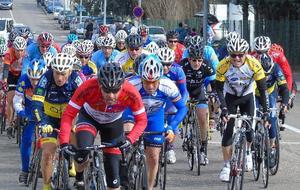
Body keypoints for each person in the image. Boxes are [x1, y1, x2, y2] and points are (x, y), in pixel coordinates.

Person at [58, 62, 147, 189]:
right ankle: (79, 177)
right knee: (82, 152)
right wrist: (64, 143)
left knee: (113, 177)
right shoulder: (87, 87)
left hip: (113, 123)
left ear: (122, 86)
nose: (111, 95)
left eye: (115, 90)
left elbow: (142, 120)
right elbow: (68, 115)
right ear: (99, 85)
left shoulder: (131, 92)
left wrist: (129, 139)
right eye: (106, 90)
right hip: (89, 118)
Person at [124, 54, 187, 190]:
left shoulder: (168, 85)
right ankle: (125, 164)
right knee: (126, 135)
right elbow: (119, 106)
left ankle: (149, 187)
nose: (151, 86)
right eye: (146, 82)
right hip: (133, 114)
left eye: (154, 82)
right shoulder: (131, 85)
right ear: (140, 78)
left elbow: (182, 108)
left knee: (153, 156)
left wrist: (171, 127)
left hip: (154, 116)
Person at [216, 38, 269, 182]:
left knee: (249, 131)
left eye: (240, 55)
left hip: (247, 96)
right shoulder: (223, 65)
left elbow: (263, 90)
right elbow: (219, 90)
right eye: (233, 55)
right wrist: (224, 108)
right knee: (228, 129)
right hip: (230, 96)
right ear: (229, 54)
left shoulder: (254, 64)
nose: (237, 58)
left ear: (246, 53)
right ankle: (227, 166)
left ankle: (247, 153)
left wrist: (265, 112)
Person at [32, 53, 83, 190]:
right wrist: (42, 123)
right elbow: (36, 104)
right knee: (48, 152)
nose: (59, 78)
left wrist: (80, 122)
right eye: (56, 73)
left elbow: (87, 103)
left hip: (70, 118)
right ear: (52, 71)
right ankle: (46, 185)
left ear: (70, 71)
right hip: (50, 119)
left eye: (63, 74)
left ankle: (75, 170)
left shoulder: (76, 79)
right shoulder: (46, 78)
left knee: (78, 146)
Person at [181, 44, 216, 166]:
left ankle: (202, 149)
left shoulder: (207, 66)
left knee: (202, 118)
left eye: (199, 60)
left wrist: (212, 94)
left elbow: (213, 84)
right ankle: (185, 132)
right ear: (189, 59)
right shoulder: (183, 66)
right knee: (180, 111)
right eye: (194, 60)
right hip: (185, 90)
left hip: (199, 91)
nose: (197, 63)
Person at [13, 59, 47, 185]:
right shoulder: (23, 79)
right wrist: (21, 113)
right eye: (32, 79)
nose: (34, 82)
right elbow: (17, 100)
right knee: (26, 140)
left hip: (45, 110)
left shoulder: (48, 80)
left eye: (37, 79)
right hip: (29, 110)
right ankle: (25, 170)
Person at [256, 53, 289, 168]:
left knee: (273, 118)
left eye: (267, 74)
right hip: (255, 94)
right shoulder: (254, 67)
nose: (265, 77)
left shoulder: (276, 68)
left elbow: (284, 88)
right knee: (253, 115)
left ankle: (271, 147)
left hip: (269, 93)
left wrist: (284, 104)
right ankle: (251, 144)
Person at [156, 47, 189, 164]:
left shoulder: (178, 71)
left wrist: (182, 104)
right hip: (159, 100)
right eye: (162, 64)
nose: (165, 67)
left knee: (172, 122)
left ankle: (170, 148)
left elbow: (184, 91)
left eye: (168, 64)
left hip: (173, 100)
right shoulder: (154, 70)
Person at [3, 36, 29, 138]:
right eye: (17, 50)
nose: (19, 53)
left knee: (25, 97)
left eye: (21, 50)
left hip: (23, 75)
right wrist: (5, 80)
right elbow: (5, 69)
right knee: (10, 99)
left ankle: (21, 117)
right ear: (14, 48)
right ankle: (10, 124)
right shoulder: (9, 53)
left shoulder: (27, 54)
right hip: (12, 75)